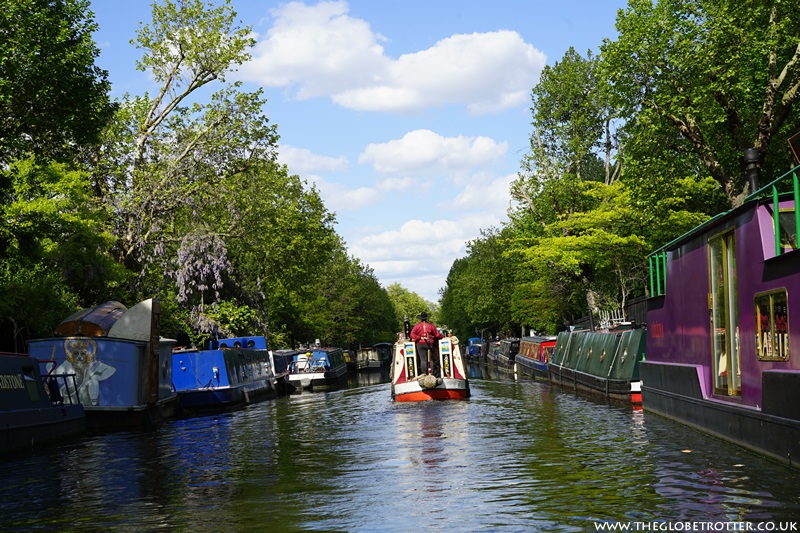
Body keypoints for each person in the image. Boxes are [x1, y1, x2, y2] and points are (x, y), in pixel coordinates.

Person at [410, 312, 443, 376]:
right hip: (429, 343)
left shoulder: (417, 326)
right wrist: (443, 336)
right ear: (427, 318)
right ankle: (431, 374)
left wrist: (419, 337)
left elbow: (412, 334)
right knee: (431, 360)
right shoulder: (431, 326)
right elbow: (437, 335)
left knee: (423, 360)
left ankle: (424, 374)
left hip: (420, 344)